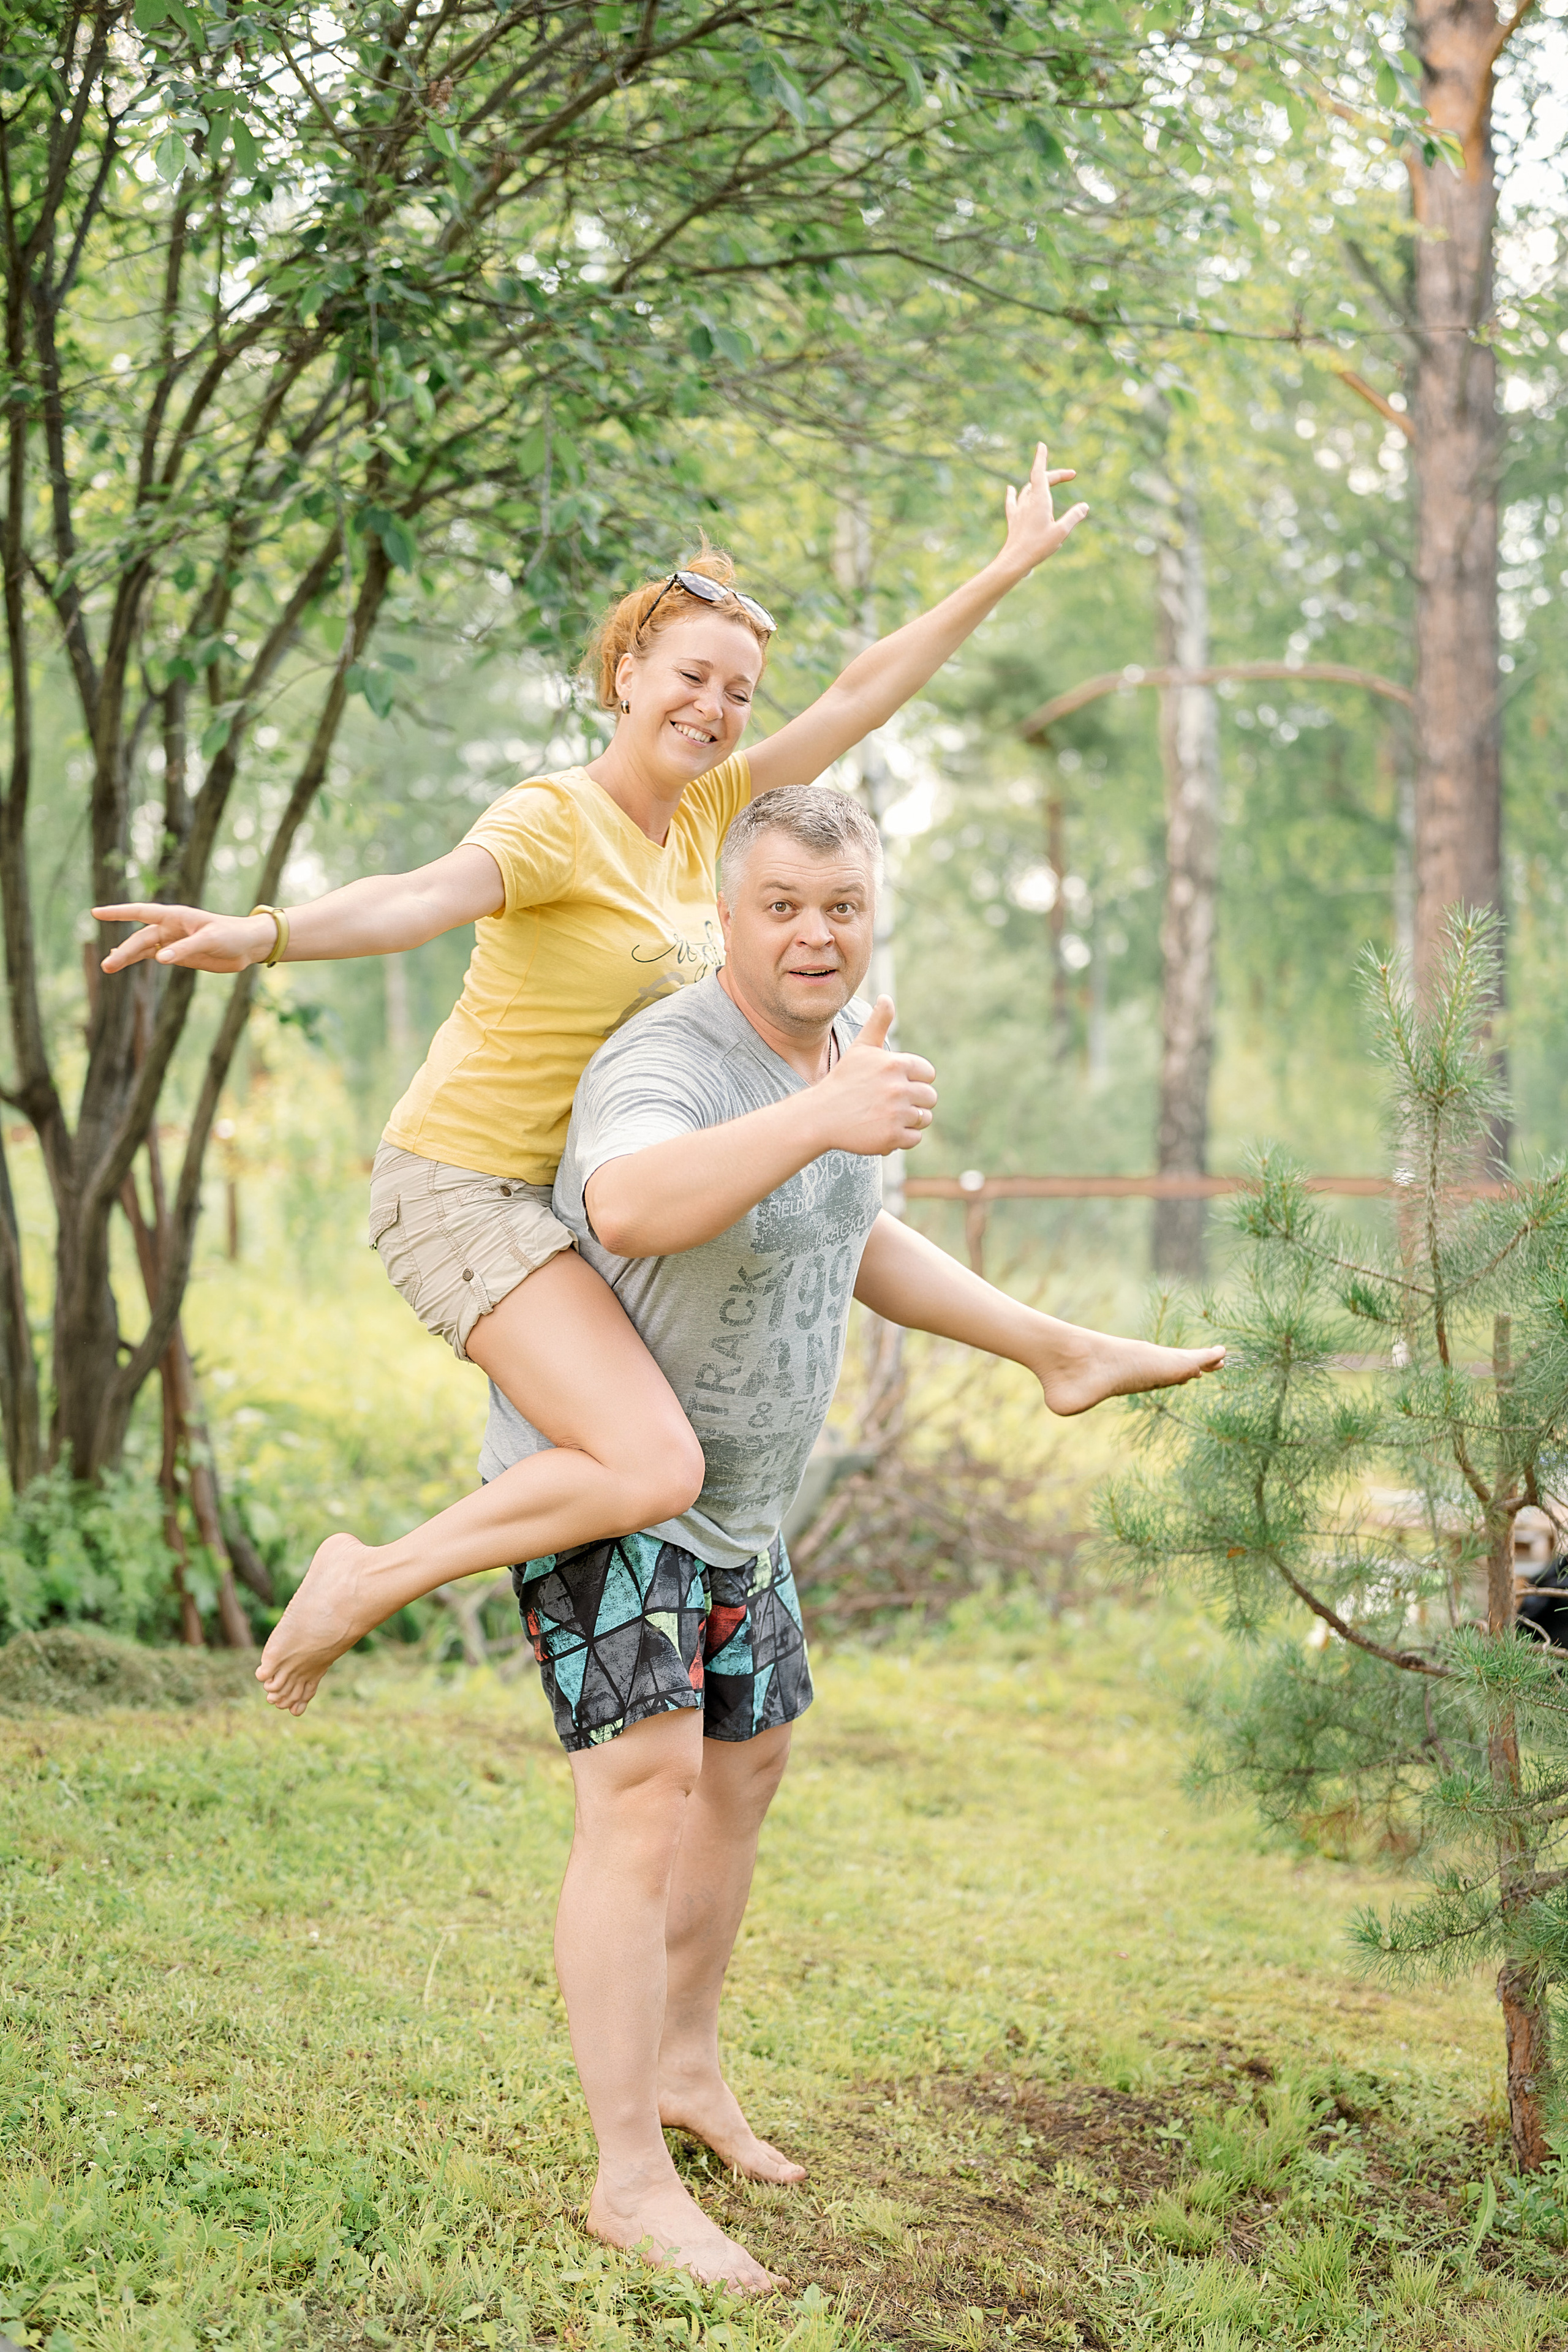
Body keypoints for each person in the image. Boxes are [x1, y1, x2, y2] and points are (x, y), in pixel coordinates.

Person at [93, 447, 1098, 1716]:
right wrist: (265, 932)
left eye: (737, 691)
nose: (716, 708)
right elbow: (419, 896)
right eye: (691, 677)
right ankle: (368, 1577)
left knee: (813, 1228)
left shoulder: (712, 813)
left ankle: (1051, 1350)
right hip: (461, 1187)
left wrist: (1001, 571)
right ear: (627, 674)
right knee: (648, 1463)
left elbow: (859, 694)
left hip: (581, 1189)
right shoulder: (551, 818)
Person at [483, 786, 1224, 2292]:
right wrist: (819, 1110)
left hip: (748, 1512)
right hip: (617, 1490)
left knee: (743, 1775)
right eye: (780, 907)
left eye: (840, 906)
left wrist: (1043, 1343)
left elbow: (855, 1226)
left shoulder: (836, 1056)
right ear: (725, 910)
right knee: (639, 1804)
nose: (813, 934)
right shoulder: (671, 1059)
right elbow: (623, 1202)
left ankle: (685, 2070)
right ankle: (627, 2178)